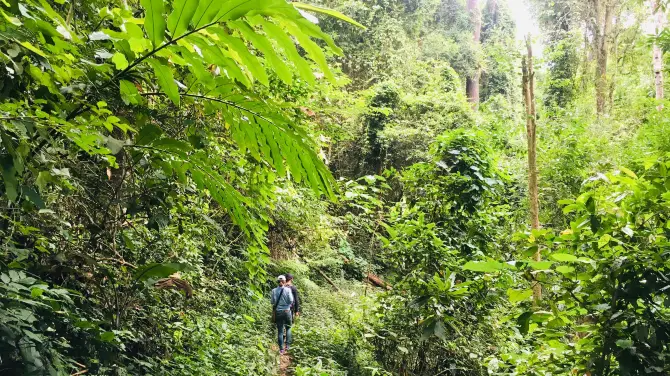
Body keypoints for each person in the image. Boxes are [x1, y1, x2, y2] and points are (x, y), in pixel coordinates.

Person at [271, 275, 293, 354]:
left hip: (278, 312)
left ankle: (281, 349)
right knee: (288, 328)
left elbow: (272, 302)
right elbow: (291, 300)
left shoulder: (274, 291)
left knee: (280, 331)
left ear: (278, 281)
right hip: (287, 311)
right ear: (284, 281)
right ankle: (287, 346)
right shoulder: (288, 290)